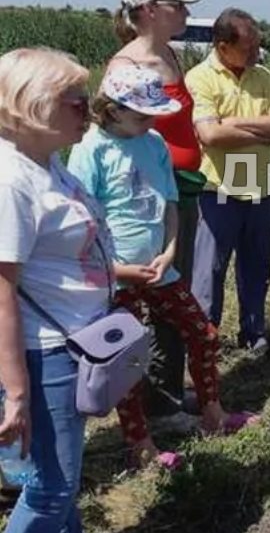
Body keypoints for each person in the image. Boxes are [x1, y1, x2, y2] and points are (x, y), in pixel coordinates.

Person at [66, 65, 259, 470]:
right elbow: (82, 220)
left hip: (160, 269)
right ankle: (141, 445)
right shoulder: (90, 149)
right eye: (142, 115)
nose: (151, 122)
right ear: (114, 111)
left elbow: (169, 202)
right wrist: (116, 269)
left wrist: (170, 249)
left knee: (203, 334)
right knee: (126, 359)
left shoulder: (153, 142)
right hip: (117, 277)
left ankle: (213, 414)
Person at [0, 47, 109, 533]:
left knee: (59, 483)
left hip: (70, 345)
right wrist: (17, 392)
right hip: (44, 356)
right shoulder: (11, 180)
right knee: (51, 488)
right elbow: (2, 289)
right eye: (76, 102)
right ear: (33, 102)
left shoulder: (47, 163)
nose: (88, 112)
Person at [109, 0, 205, 426]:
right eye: (178, 4)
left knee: (173, 293)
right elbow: (119, 142)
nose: (186, 12)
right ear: (150, 10)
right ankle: (154, 404)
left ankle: (168, 391)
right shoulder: (127, 68)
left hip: (179, 190)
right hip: (149, 202)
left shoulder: (167, 52)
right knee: (154, 298)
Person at [186, 8, 270, 355]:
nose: (256, 53)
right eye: (249, 47)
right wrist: (260, 128)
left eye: (258, 45)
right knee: (208, 272)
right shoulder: (200, 78)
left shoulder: (263, 76)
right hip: (219, 190)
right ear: (223, 46)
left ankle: (253, 334)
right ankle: (205, 341)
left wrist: (233, 124)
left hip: (260, 188)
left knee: (257, 267)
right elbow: (210, 136)